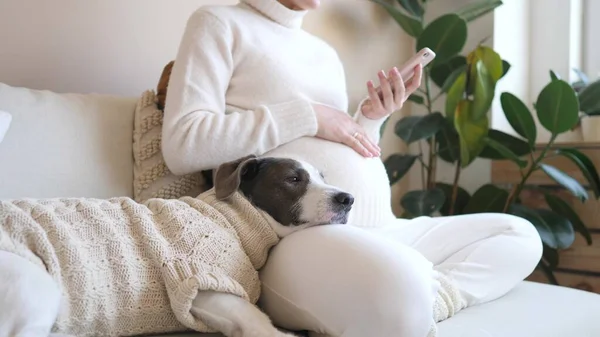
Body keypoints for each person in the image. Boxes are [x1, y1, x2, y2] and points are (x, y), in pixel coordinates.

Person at [162, 0, 543, 336]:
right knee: (402, 286)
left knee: (520, 235)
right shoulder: (217, 22)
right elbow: (182, 144)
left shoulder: (324, 53)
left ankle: (432, 298)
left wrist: (370, 120)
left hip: (381, 227)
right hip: (294, 239)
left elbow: (331, 145)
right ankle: (407, 291)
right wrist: (308, 114)